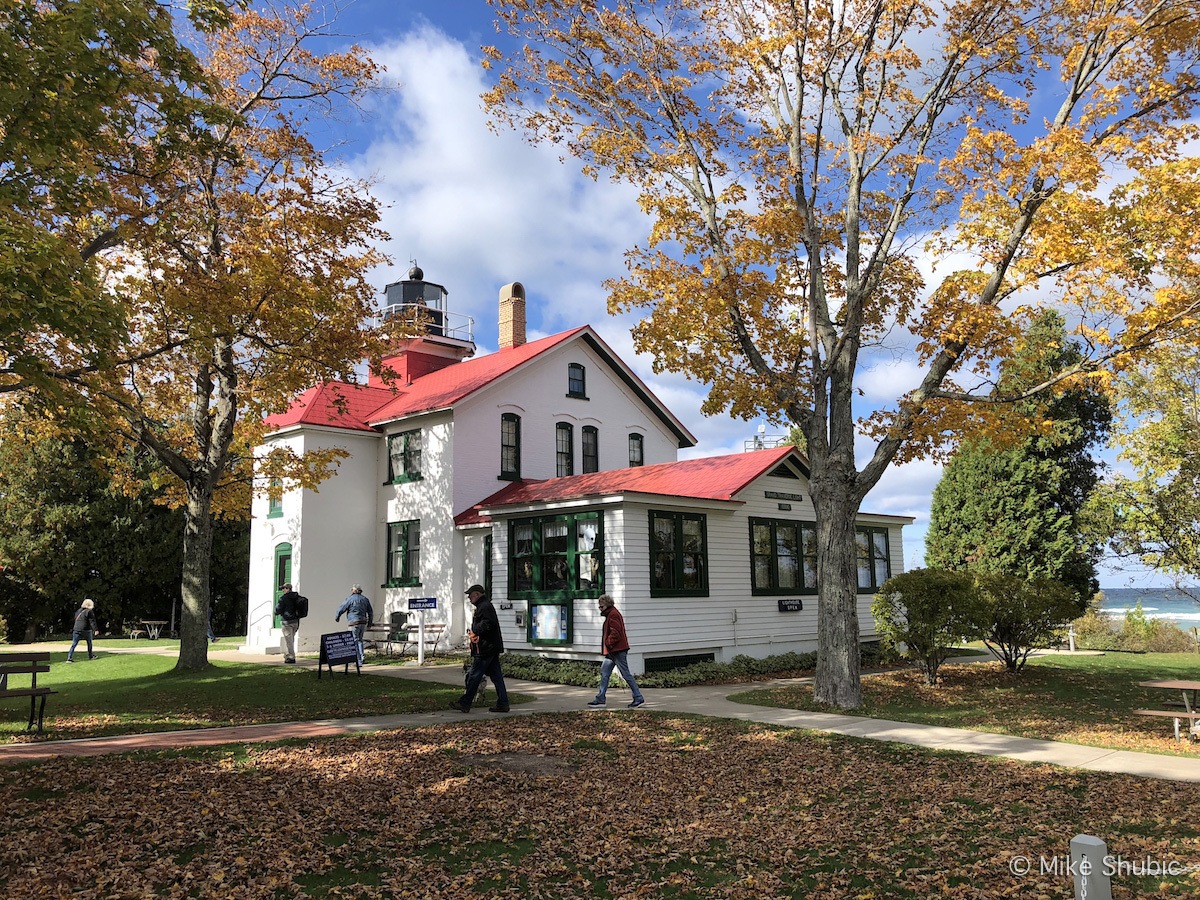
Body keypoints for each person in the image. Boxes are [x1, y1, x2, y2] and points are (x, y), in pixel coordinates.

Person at [450, 584, 509, 713]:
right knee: (497, 677)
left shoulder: (484, 607)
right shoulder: (485, 606)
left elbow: (488, 624)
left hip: (485, 648)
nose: (469, 599)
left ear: (477, 594)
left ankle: (465, 703)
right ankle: (503, 703)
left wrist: (474, 630)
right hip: (490, 647)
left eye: (470, 596)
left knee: (474, 675)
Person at [587, 594, 646, 708]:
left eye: (601, 606)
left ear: (608, 605)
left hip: (617, 650)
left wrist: (608, 643)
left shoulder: (613, 614)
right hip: (612, 651)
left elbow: (616, 633)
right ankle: (600, 698)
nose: (600, 609)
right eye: (599, 606)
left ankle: (638, 698)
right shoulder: (611, 614)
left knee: (626, 674)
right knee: (605, 673)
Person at [335, 584, 374, 667]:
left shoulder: (350, 599)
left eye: (352, 589)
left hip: (353, 622)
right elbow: (370, 612)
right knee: (360, 640)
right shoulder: (365, 599)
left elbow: (342, 608)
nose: (351, 591)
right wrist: (369, 623)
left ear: (354, 590)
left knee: (354, 641)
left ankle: (358, 660)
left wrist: (337, 616)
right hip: (363, 622)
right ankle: (362, 658)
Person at [275, 583, 302, 664]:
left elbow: (278, 610)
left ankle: (291, 657)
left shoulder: (283, 598)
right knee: (290, 640)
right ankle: (287, 655)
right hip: (296, 621)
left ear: (287, 589)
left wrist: (276, 611)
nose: (283, 590)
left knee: (289, 640)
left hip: (287, 622)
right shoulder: (297, 597)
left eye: (284, 588)